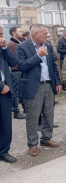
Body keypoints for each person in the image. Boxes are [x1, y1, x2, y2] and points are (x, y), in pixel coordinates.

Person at [17, 24, 62, 157]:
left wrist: (57, 82)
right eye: (44, 33)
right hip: (33, 86)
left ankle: (46, 139)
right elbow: (21, 66)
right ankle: (32, 144)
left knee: (49, 113)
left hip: (48, 84)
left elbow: (53, 65)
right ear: (35, 34)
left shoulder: (47, 45)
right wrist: (37, 56)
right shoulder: (22, 47)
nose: (47, 35)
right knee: (33, 116)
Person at [0, 25, 18, 163]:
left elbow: (13, 62)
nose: (1, 37)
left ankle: (3, 151)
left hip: (5, 92)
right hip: (2, 88)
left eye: (1, 34)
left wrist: (5, 48)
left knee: (6, 123)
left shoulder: (2, 47)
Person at [7, 26, 25, 119]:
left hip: (22, 70)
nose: (22, 32)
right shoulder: (11, 45)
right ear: (14, 33)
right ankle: (16, 111)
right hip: (16, 71)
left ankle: (24, 109)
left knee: (22, 92)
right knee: (15, 92)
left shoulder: (20, 43)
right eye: (19, 31)